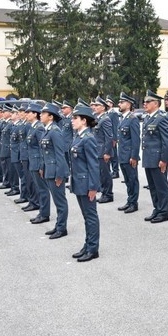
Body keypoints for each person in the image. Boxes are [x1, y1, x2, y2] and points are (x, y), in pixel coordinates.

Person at [69, 104, 101, 262]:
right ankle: (87, 245)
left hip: (87, 184)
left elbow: (94, 165)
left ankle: (93, 249)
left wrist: (93, 187)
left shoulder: (88, 139)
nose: (72, 121)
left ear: (84, 120)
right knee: (86, 216)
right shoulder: (79, 136)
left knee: (91, 216)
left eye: (75, 118)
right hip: (79, 183)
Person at [39, 103, 70, 239]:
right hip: (49, 170)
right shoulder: (48, 130)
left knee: (60, 201)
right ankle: (58, 225)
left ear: (50, 116)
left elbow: (60, 154)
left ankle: (62, 228)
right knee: (57, 201)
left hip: (55, 172)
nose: (40, 115)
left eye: (43, 113)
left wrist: (60, 174)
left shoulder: (55, 131)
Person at [141, 90, 168, 223]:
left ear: (155, 103)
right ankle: (157, 208)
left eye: (148, 102)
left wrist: (164, 160)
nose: (145, 104)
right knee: (153, 186)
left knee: (161, 187)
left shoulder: (162, 117)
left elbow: (167, 141)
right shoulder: (148, 117)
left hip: (158, 159)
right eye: (145, 102)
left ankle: (163, 212)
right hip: (148, 158)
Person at [25, 102, 50, 223]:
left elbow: (42, 148)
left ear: (35, 114)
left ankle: (44, 214)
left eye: (28, 113)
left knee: (42, 189)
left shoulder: (39, 127)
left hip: (37, 162)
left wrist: (41, 165)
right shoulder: (33, 127)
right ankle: (42, 211)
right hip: (32, 161)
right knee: (38, 188)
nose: (26, 115)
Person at [116, 92, 141, 214]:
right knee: (127, 180)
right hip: (122, 155)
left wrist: (134, 156)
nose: (119, 104)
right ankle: (129, 200)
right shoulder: (123, 119)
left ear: (129, 104)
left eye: (121, 102)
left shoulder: (132, 119)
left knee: (132, 180)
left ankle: (133, 203)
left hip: (129, 156)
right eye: (119, 102)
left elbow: (136, 140)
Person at [90, 96, 114, 203]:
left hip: (103, 151)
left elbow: (109, 137)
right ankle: (104, 192)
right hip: (97, 150)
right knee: (101, 173)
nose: (95, 107)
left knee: (105, 174)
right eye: (94, 105)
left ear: (103, 108)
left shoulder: (105, 119)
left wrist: (107, 152)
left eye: (97, 105)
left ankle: (108, 194)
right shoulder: (97, 118)